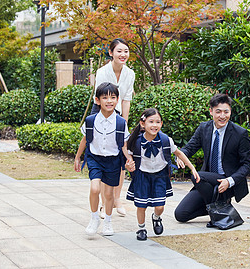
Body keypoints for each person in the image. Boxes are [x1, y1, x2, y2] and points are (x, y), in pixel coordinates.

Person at [174, 94, 250, 226]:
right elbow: (190, 147)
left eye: (226, 112)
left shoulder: (240, 133)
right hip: (208, 183)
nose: (222, 116)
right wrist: (179, 155)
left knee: (196, 176)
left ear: (230, 112)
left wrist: (230, 181)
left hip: (228, 182)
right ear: (211, 111)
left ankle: (221, 203)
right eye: (218, 111)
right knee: (181, 214)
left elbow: (247, 164)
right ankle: (220, 206)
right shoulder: (204, 128)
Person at [126, 108, 200, 241]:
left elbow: (179, 153)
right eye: (151, 122)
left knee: (159, 206)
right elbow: (129, 157)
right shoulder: (136, 142)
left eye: (158, 122)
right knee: (141, 205)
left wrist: (192, 168)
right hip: (142, 176)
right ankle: (141, 228)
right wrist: (128, 165)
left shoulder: (166, 140)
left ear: (161, 124)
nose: (154, 125)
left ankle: (156, 218)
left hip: (160, 175)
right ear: (143, 124)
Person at [74, 82, 134, 236]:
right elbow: (85, 140)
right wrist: (77, 157)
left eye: (113, 97)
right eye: (105, 97)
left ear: (117, 100)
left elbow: (124, 145)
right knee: (95, 188)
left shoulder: (121, 122)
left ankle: (107, 221)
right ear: (97, 100)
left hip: (113, 160)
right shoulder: (91, 120)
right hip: (95, 158)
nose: (109, 101)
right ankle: (94, 218)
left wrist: (129, 159)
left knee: (109, 195)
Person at [92, 38, 135, 218]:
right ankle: (103, 203)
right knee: (105, 158)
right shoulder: (102, 72)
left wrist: (123, 123)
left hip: (118, 117)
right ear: (111, 53)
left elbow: (126, 100)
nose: (123, 54)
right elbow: (102, 100)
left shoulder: (130, 73)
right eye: (119, 51)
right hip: (102, 113)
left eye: (126, 51)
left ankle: (117, 200)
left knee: (120, 159)